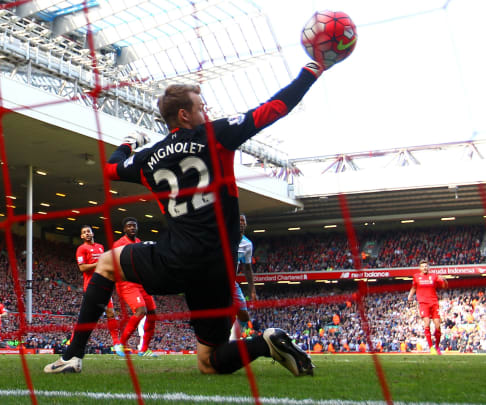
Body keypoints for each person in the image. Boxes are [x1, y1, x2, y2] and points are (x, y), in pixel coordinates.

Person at [44, 59, 331, 376]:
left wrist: (129, 143)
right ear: (184, 114)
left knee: (107, 264)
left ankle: (73, 355)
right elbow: (274, 108)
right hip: (218, 269)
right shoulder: (217, 135)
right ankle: (264, 344)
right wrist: (310, 72)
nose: (205, 112)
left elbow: (111, 169)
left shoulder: (149, 158)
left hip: (176, 260)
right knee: (211, 362)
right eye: (200, 107)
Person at [112, 217, 159, 357]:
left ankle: (144, 349)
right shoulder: (119, 244)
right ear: (124, 229)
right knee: (141, 310)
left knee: (152, 315)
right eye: (129, 226)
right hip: (127, 283)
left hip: (141, 283)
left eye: (134, 226)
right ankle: (121, 344)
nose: (132, 228)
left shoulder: (139, 243)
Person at [75, 225, 123, 354]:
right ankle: (73, 343)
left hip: (104, 284)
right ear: (82, 236)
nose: (87, 234)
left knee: (111, 313)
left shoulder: (100, 247)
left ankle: (117, 343)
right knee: (86, 318)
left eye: (88, 231)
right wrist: (100, 263)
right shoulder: (81, 249)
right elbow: (82, 268)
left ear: (92, 233)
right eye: (84, 232)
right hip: (90, 287)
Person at [407, 260, 446, 355]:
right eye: (423, 266)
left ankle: (437, 346)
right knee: (427, 323)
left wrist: (444, 280)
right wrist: (410, 296)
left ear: (428, 267)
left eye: (426, 266)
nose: (425, 268)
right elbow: (414, 287)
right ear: (420, 268)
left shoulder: (434, 276)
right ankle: (431, 347)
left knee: (437, 325)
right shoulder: (416, 277)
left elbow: (443, 285)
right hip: (423, 303)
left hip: (434, 302)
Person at [230, 214, 256, 341]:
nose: (241, 223)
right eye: (238, 220)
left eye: (243, 221)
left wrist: (252, 290)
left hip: (231, 283)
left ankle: (232, 339)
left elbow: (247, 268)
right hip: (216, 281)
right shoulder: (225, 238)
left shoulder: (247, 244)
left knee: (244, 316)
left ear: (246, 224)